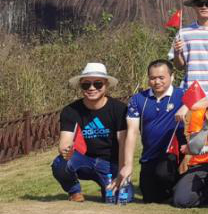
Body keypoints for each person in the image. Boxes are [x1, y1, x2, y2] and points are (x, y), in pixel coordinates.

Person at [52, 63, 130, 201]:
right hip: (83, 160)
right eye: (86, 84)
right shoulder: (70, 111)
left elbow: (123, 143)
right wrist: (66, 150)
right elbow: (65, 141)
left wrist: (121, 171)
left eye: (98, 84)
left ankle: (106, 189)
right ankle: (74, 191)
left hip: (110, 163)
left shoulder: (120, 109)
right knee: (60, 163)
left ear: (106, 85)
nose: (92, 88)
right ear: (80, 86)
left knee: (122, 199)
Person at [126, 59, 185, 203]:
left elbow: (206, 101)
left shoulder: (182, 94)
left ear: (172, 77)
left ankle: (178, 188)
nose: (157, 82)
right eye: (152, 78)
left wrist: (187, 106)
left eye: (161, 77)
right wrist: (128, 165)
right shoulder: (138, 99)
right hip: (149, 156)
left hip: (173, 154)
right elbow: (132, 132)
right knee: (149, 197)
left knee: (163, 173)